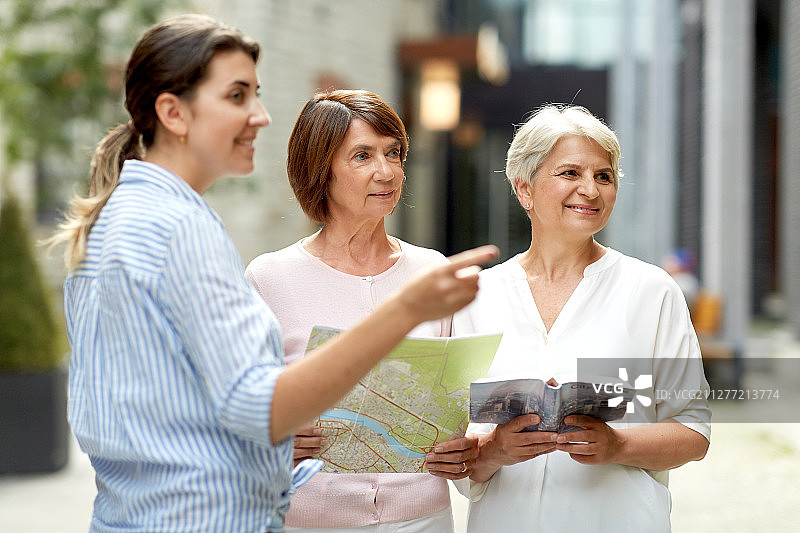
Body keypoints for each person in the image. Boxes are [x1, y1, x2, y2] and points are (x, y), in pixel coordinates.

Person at [48, 16, 496, 533]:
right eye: (237, 96)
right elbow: (259, 409)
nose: (260, 116)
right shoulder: (179, 231)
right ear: (172, 113)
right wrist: (406, 311)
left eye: (255, 95)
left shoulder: (120, 216)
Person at [436, 104, 711, 532]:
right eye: (570, 173)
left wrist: (617, 443)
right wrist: (495, 449)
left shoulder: (651, 291)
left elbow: (693, 432)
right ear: (524, 188)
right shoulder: (476, 298)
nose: (591, 189)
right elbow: (454, 447)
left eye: (604, 176)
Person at [245, 89, 478, 533]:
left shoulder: (432, 270)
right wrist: (274, 440)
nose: (386, 172)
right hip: (310, 520)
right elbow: (241, 411)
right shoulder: (270, 278)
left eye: (394, 153)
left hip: (423, 517)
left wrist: (466, 448)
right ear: (321, 170)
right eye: (362, 156)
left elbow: (461, 409)